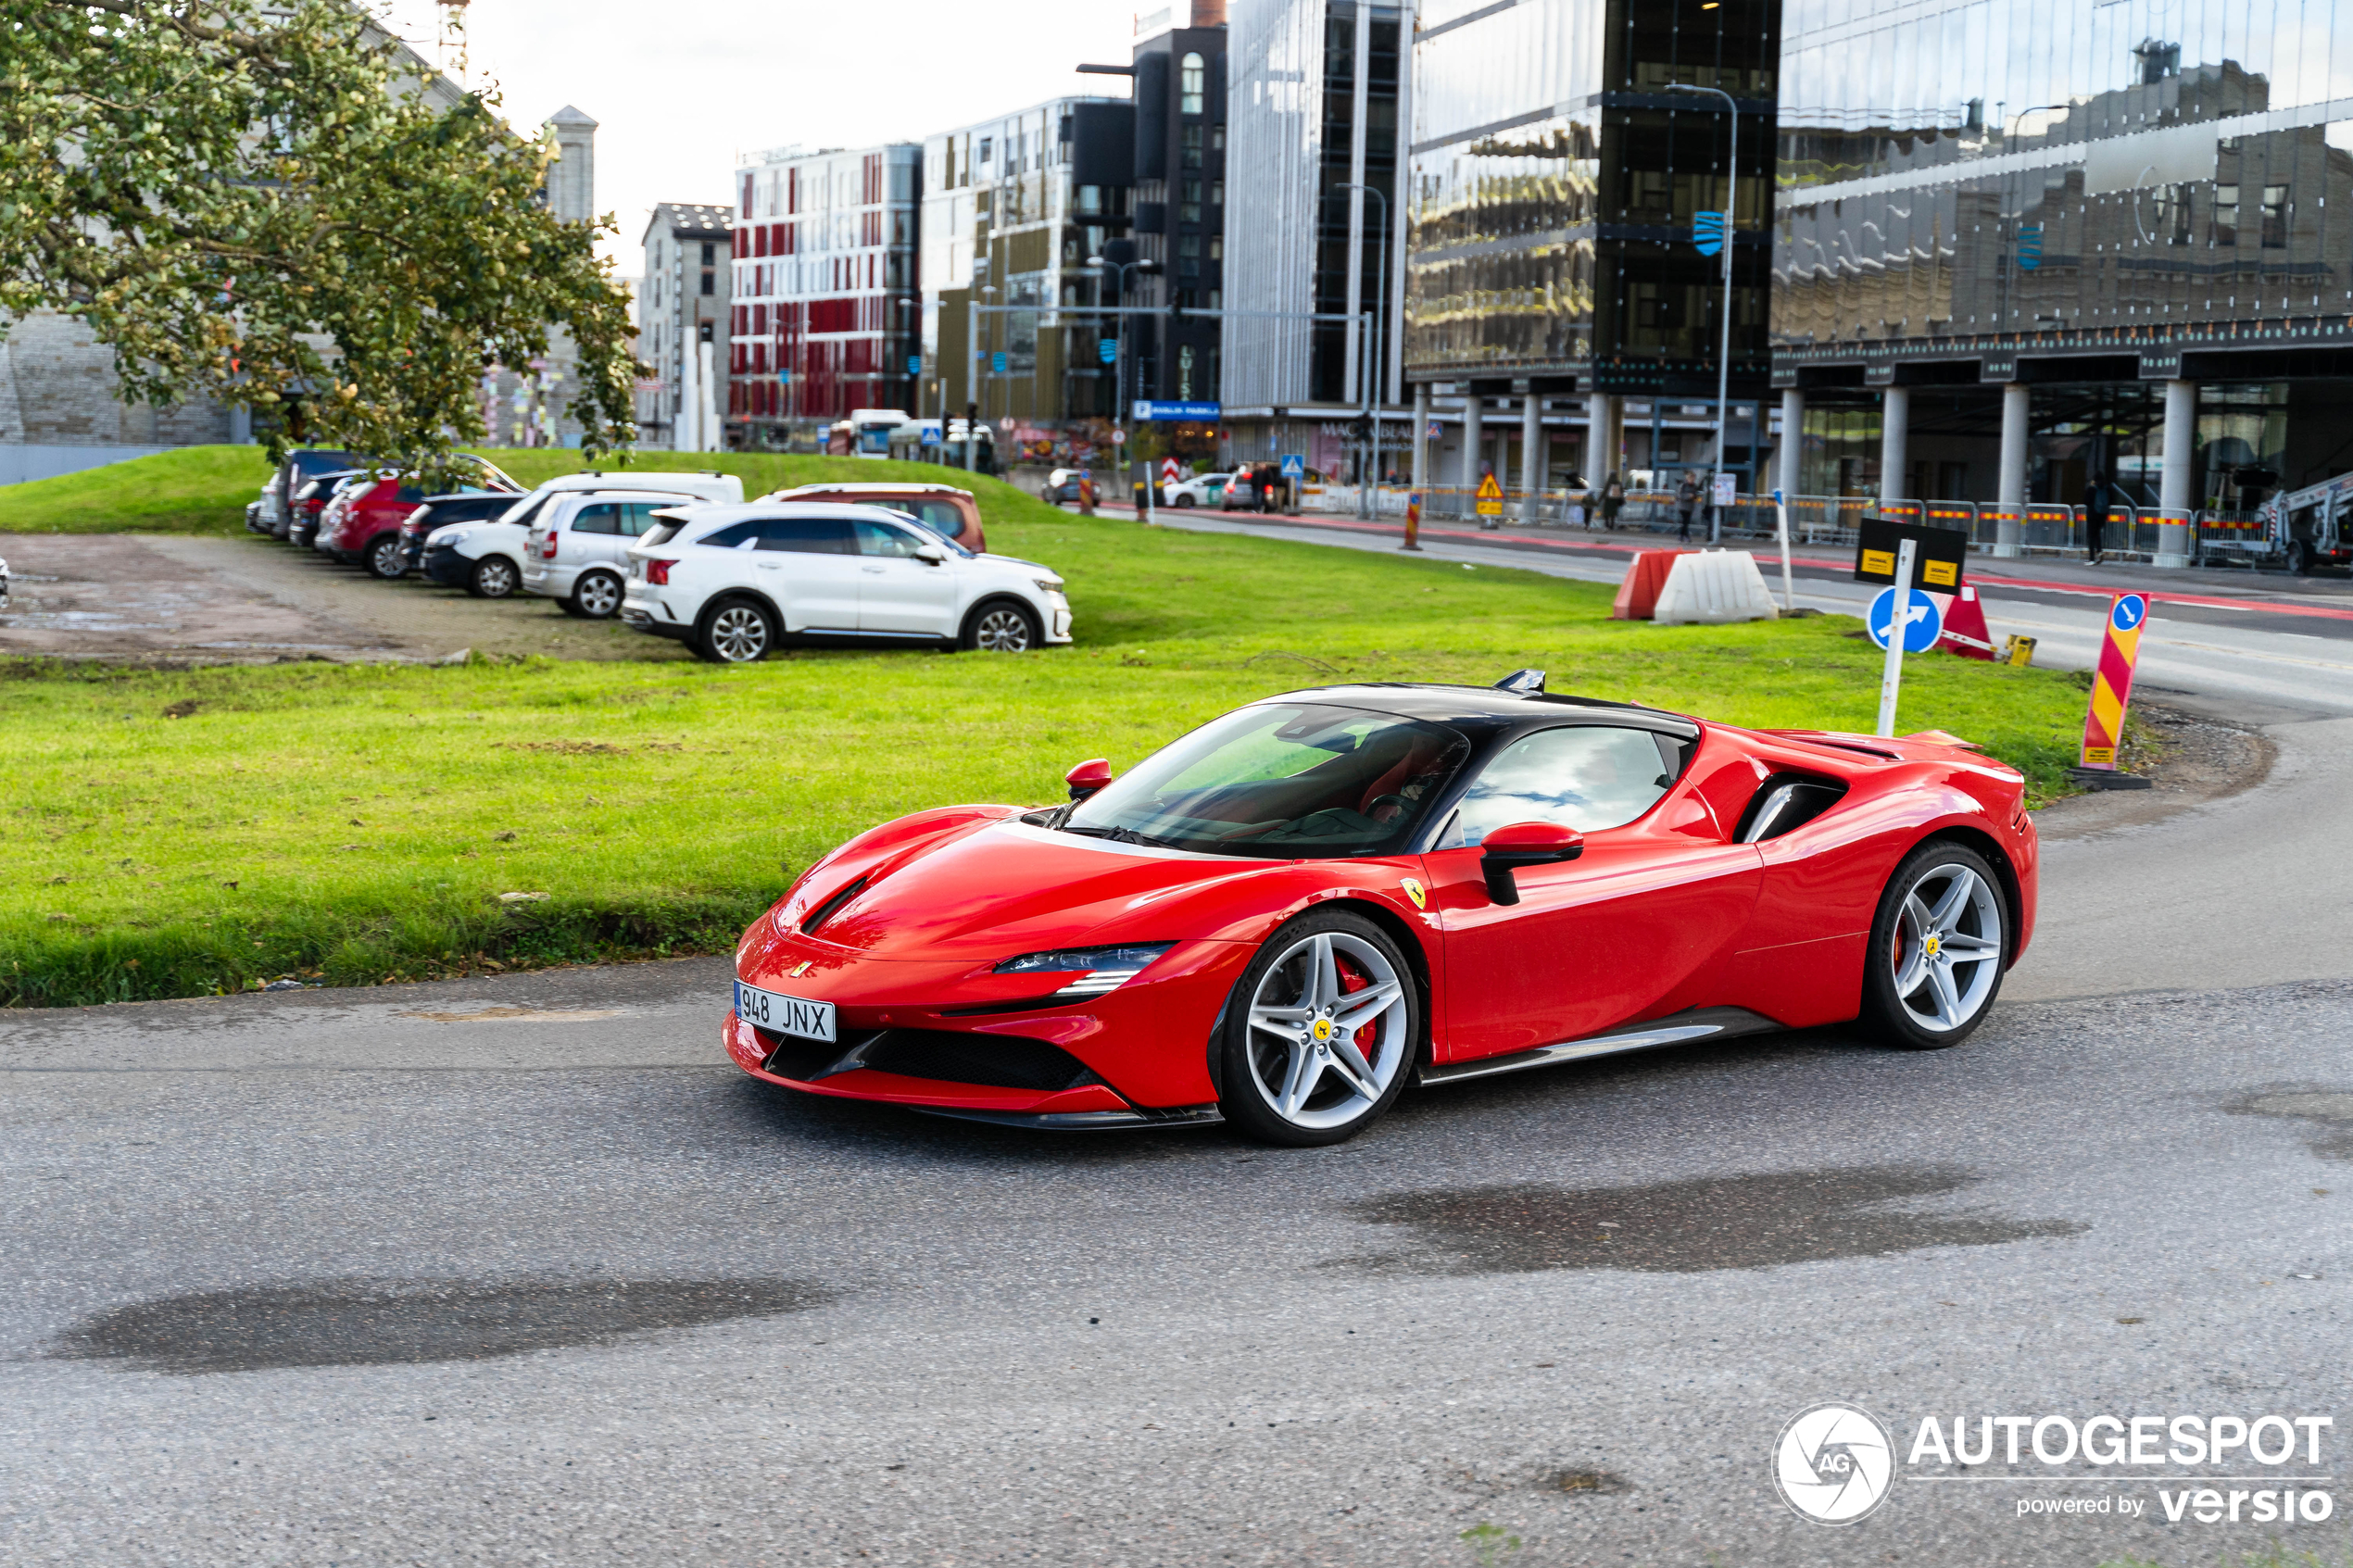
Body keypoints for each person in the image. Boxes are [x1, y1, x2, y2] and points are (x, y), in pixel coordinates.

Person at [2083, 470, 2112, 565]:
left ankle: (2092, 559)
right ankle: (2099, 551)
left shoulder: (2092, 489)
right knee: (2097, 534)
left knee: (2091, 536)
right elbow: (2110, 501)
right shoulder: (2107, 488)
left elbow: (2086, 501)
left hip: (2092, 514)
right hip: (2102, 515)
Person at [1676, 470, 1702, 540]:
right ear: (1688, 478)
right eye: (1691, 478)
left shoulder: (1694, 486)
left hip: (1690, 507)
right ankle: (1686, 536)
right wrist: (1688, 496)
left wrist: (1694, 496)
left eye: (1694, 479)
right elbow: (1679, 495)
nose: (1693, 480)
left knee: (1686, 522)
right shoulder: (1683, 485)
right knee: (1685, 521)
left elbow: (1696, 495)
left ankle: (1681, 535)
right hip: (1683, 506)